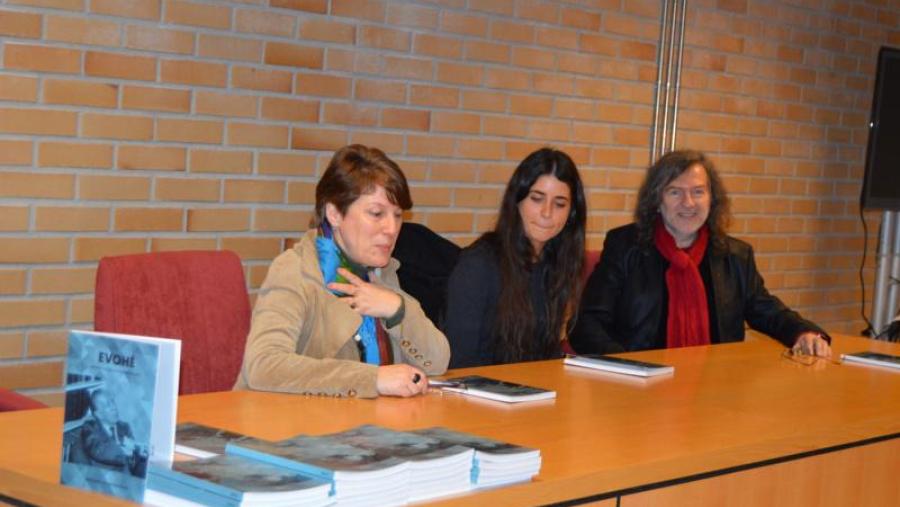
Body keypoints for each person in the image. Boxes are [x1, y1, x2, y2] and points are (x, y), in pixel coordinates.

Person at [234, 145, 450, 398]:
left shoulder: (382, 271)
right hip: (289, 427)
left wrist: (398, 309)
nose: (392, 229)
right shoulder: (295, 270)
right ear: (335, 213)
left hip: (362, 426)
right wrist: (373, 379)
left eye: (398, 215)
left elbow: (437, 362)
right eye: (377, 213)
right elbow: (263, 365)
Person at [571, 150, 832, 357]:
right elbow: (587, 325)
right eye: (675, 192)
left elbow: (769, 313)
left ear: (712, 200)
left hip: (715, 391)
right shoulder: (624, 246)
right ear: (657, 201)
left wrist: (804, 333)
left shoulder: (735, 257)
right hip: (638, 392)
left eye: (698, 192)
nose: (688, 203)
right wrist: (631, 366)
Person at [443, 147, 587, 367]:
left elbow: (545, 356)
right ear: (517, 200)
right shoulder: (478, 265)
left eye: (559, 204)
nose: (547, 213)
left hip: (531, 392)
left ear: (572, 213)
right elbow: (458, 362)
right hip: (478, 392)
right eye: (537, 199)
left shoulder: (557, 263)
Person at [81, 389, 146, 476]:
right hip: (102, 479)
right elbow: (98, 450)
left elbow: (132, 462)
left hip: (125, 478)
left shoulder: (124, 427)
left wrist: (135, 453)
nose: (114, 407)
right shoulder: (89, 428)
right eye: (107, 405)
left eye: (112, 401)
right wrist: (123, 446)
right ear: (98, 414)